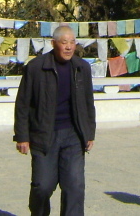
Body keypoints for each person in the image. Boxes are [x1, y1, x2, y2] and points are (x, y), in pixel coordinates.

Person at [14, 25, 96, 216]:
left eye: (72, 42)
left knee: (74, 186)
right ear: (53, 44)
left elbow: (88, 103)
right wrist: (22, 137)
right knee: (42, 186)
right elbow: (23, 104)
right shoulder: (36, 68)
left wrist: (89, 132)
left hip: (74, 135)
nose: (68, 47)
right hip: (43, 135)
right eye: (64, 42)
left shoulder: (82, 68)